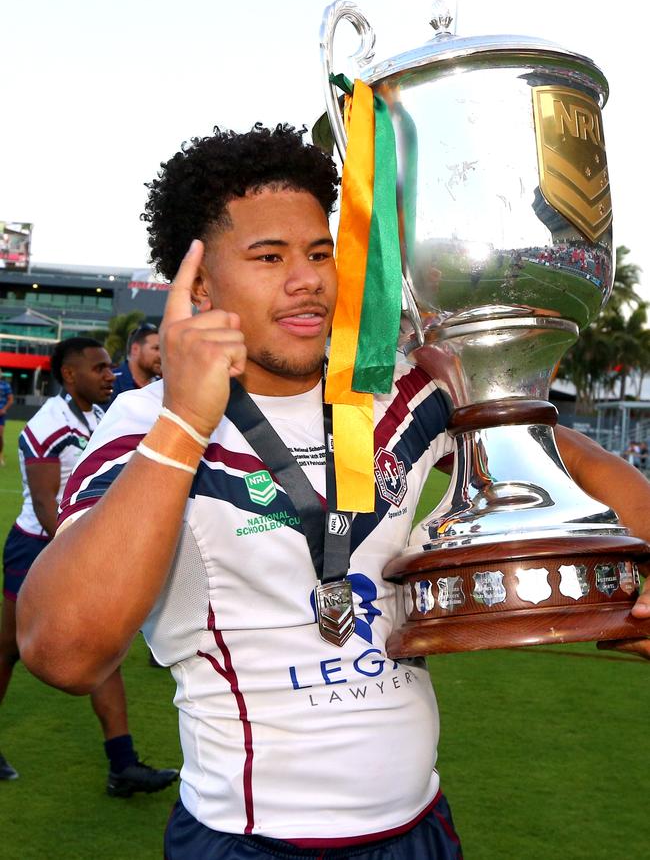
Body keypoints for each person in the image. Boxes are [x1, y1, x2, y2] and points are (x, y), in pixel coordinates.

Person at [14, 126, 650, 857]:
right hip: (253, 839)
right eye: (270, 257)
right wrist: (187, 420)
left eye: (320, 253)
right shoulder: (145, 423)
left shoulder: (401, 392)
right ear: (199, 285)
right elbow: (62, 650)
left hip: (420, 827)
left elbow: (583, 473)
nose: (308, 279)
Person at [0, 337, 179, 795]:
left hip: (80, 545)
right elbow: (45, 506)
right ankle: (122, 764)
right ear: (69, 375)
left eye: (109, 367)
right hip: (38, 549)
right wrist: (80, 561)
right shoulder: (46, 425)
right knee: (9, 652)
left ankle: (122, 763)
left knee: (100, 652)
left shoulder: (103, 416)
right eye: (98, 368)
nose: (108, 375)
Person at [108, 322, 162, 403]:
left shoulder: (163, 385)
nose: (161, 355)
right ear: (135, 349)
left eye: (164, 349)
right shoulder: (110, 382)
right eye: (156, 348)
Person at [0, 372, 14, 467]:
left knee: (0, 436)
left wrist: (4, 409)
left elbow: (10, 399)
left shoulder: (5, 385)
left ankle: (0, 456)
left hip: (1, 414)